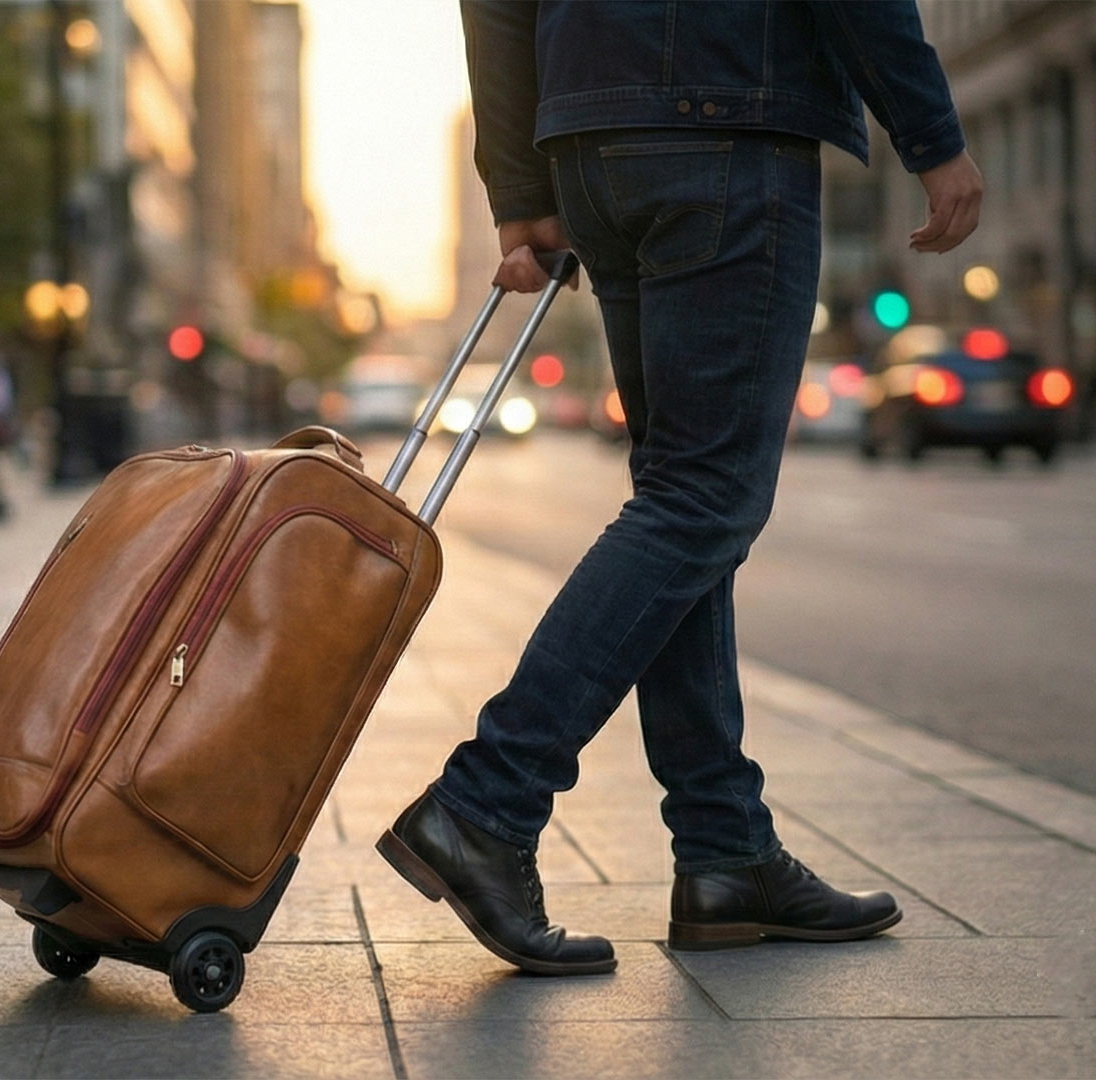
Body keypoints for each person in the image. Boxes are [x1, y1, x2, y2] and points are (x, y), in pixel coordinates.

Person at [377, 0, 982, 975]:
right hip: (729, 125)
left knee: (682, 501)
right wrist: (932, 136)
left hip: (594, 143)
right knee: (701, 499)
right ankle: (486, 803)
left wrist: (520, 184)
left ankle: (723, 851)